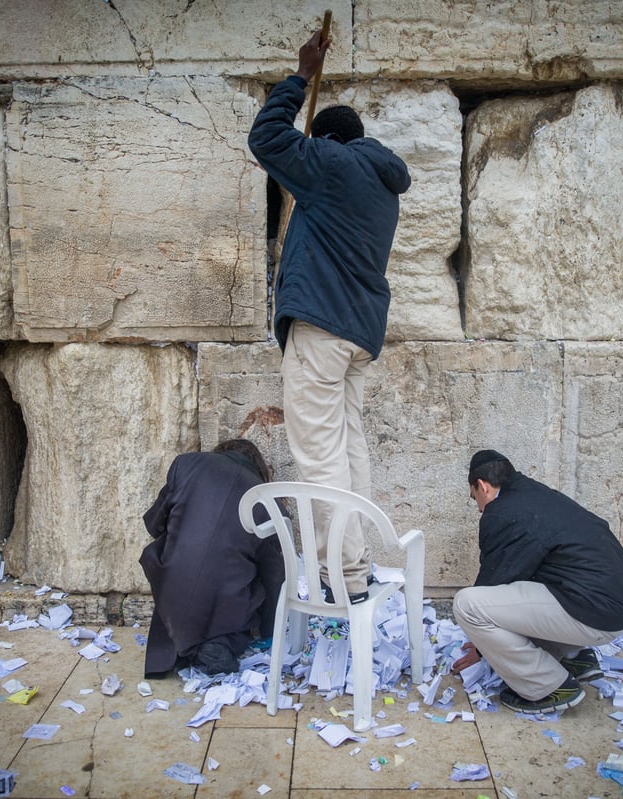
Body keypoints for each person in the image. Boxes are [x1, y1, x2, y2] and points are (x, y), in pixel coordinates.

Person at [247, 30, 411, 603]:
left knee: (318, 457)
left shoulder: (330, 164)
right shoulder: (381, 183)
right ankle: (356, 565)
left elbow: (267, 139)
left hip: (320, 327)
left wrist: (299, 76)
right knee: (349, 450)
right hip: (359, 334)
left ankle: (341, 580)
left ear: (325, 142)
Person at [452, 450, 623, 713]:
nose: (479, 508)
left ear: (482, 487)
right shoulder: (537, 494)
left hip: (594, 613)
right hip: (616, 606)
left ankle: (549, 687)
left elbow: (492, 584)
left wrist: (482, 648)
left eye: (475, 499)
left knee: (467, 605)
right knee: (528, 583)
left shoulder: (502, 512)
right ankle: (574, 657)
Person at [139, 439, 284, 677]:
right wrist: (270, 629)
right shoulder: (268, 501)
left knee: (169, 545)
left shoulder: (186, 464)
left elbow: (154, 523)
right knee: (255, 581)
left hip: (171, 584)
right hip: (228, 599)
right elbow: (273, 576)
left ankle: (180, 644)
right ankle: (219, 645)